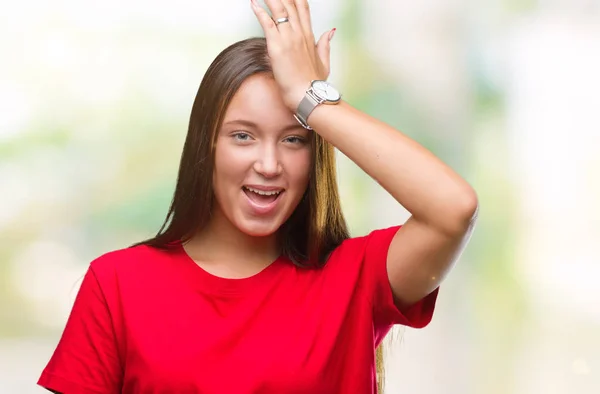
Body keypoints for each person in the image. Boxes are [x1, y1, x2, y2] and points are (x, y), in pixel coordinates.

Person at [37, 0, 478, 393]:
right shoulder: (118, 284)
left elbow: (453, 208)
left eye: (293, 140)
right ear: (206, 145)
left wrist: (314, 100)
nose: (269, 164)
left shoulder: (354, 280)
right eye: (243, 136)